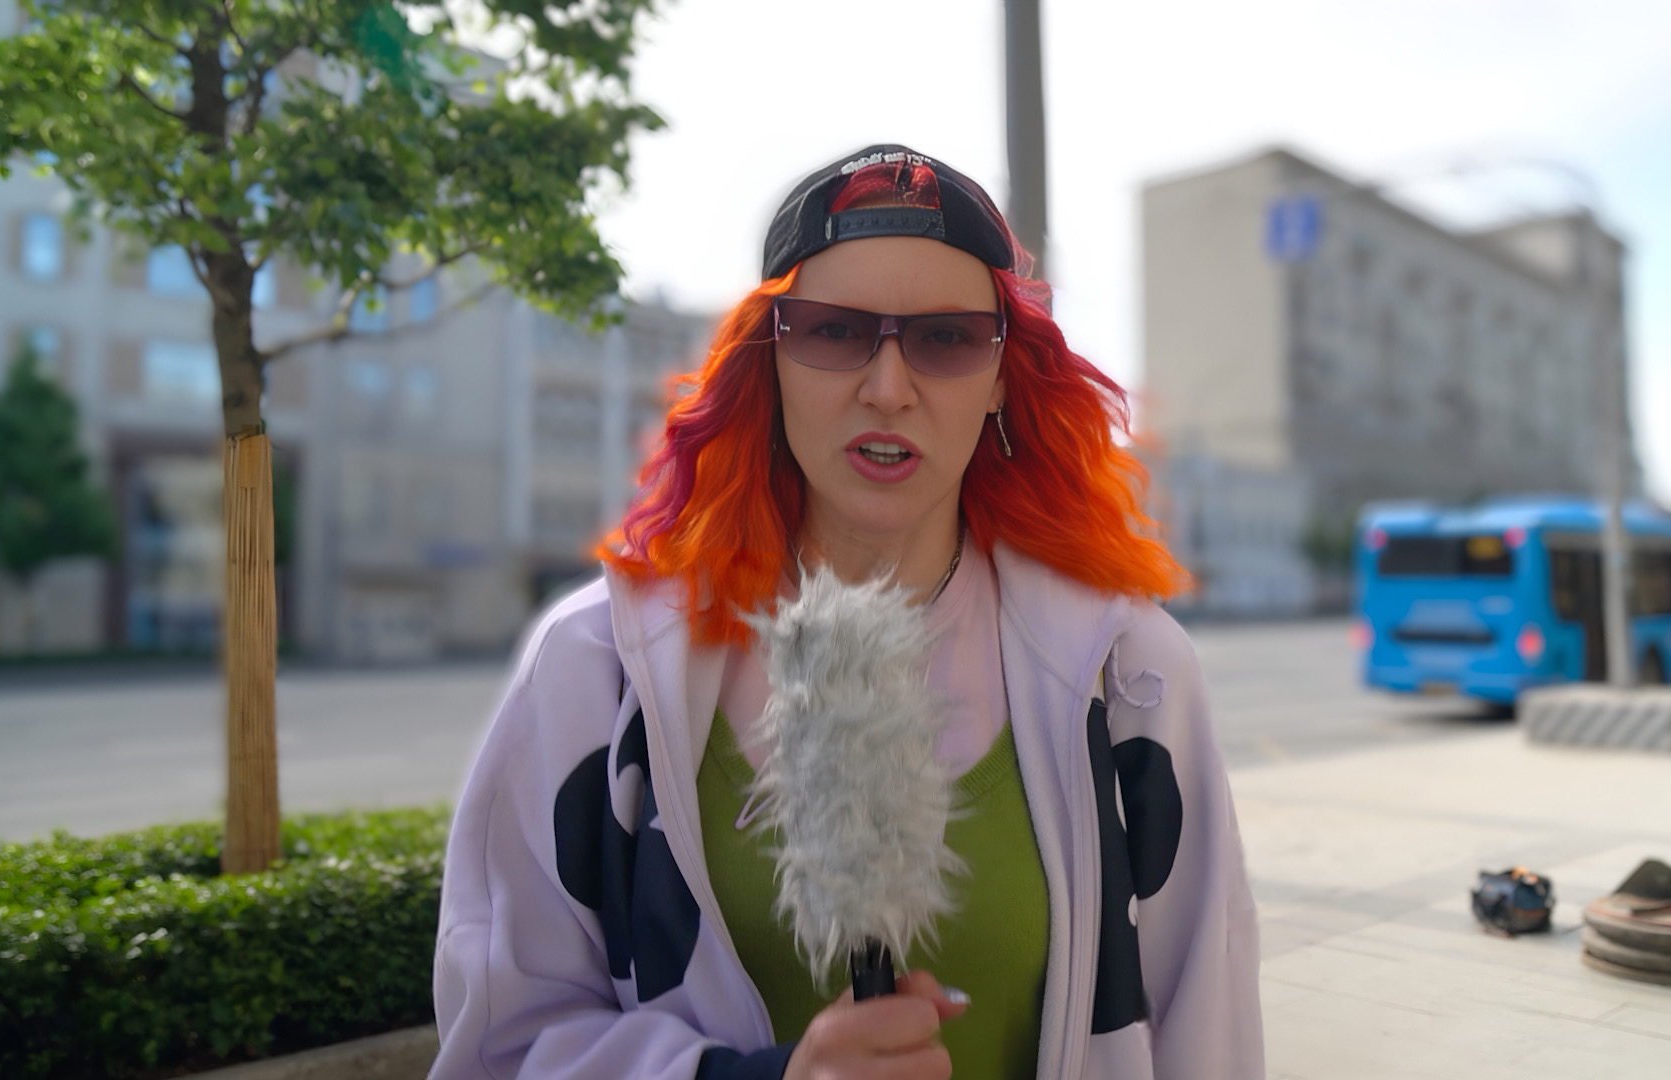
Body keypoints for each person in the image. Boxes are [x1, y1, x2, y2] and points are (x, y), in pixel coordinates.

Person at [430, 145, 1263, 1080]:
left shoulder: (1131, 671)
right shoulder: (597, 666)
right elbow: (500, 1046)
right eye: (832, 332)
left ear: (1002, 376)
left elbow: (1208, 1023)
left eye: (947, 339)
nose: (889, 388)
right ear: (770, 359)